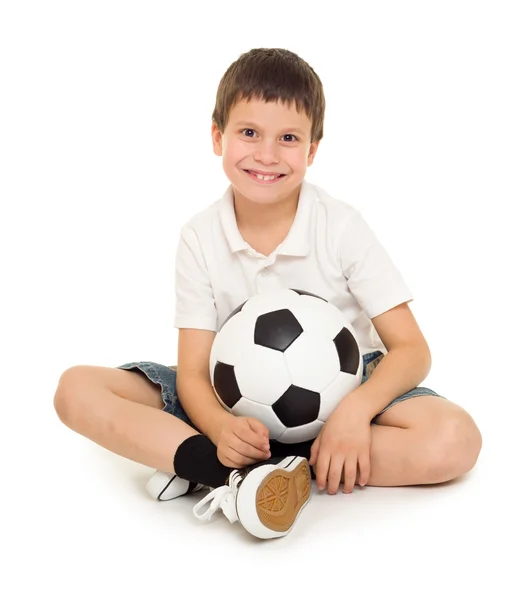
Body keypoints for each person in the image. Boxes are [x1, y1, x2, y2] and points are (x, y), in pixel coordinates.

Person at [53, 47, 482, 540]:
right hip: (228, 398)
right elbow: (192, 372)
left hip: (347, 390)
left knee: (456, 440)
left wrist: (354, 413)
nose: (266, 154)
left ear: (312, 151)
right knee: (75, 388)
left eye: (289, 138)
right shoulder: (200, 235)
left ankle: (237, 464)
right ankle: (233, 471)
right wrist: (217, 427)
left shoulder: (340, 226)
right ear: (218, 136)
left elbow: (412, 349)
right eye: (249, 132)